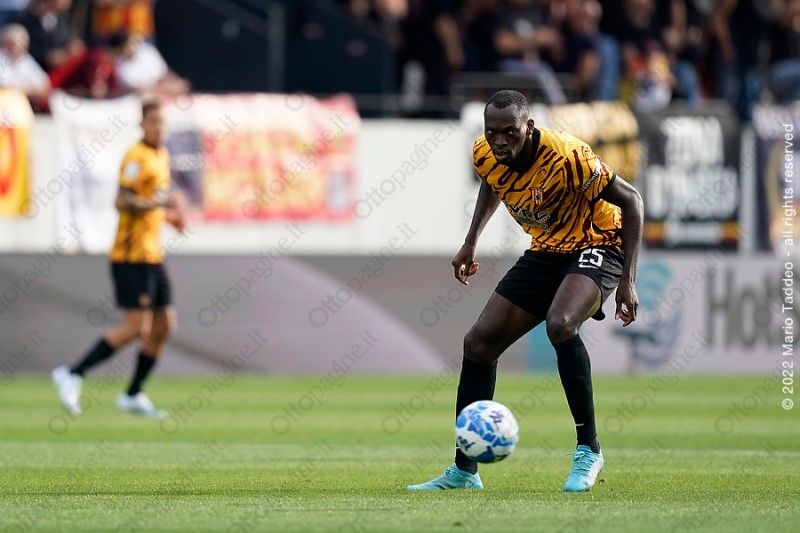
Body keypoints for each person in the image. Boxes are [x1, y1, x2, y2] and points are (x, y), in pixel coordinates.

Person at [407, 90, 643, 493]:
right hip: (547, 250)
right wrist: (471, 240)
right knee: (478, 344)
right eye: (492, 132)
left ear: (528, 127)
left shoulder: (569, 157)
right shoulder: (484, 153)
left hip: (599, 243)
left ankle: (589, 450)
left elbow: (632, 201)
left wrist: (628, 280)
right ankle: (464, 470)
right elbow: (493, 181)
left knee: (561, 323)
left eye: (509, 132)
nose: (499, 141)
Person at [52, 100, 186, 419]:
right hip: (130, 256)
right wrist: (162, 205)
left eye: (163, 122)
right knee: (137, 327)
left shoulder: (161, 155)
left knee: (164, 325)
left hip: (152, 254)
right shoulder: (136, 156)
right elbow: (123, 200)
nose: (159, 128)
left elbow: (151, 204)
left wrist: (169, 217)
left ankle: (133, 394)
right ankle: (73, 373)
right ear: (142, 125)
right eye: (153, 122)